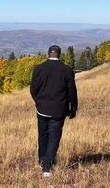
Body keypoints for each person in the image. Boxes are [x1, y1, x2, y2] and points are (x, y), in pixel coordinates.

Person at [30, 45, 78, 177]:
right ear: (59, 55)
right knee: (54, 137)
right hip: (58, 109)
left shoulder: (39, 69)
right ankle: (47, 167)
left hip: (42, 108)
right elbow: (72, 92)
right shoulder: (67, 70)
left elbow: (33, 89)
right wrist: (72, 108)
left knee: (43, 135)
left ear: (48, 54)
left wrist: (38, 101)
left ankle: (42, 160)